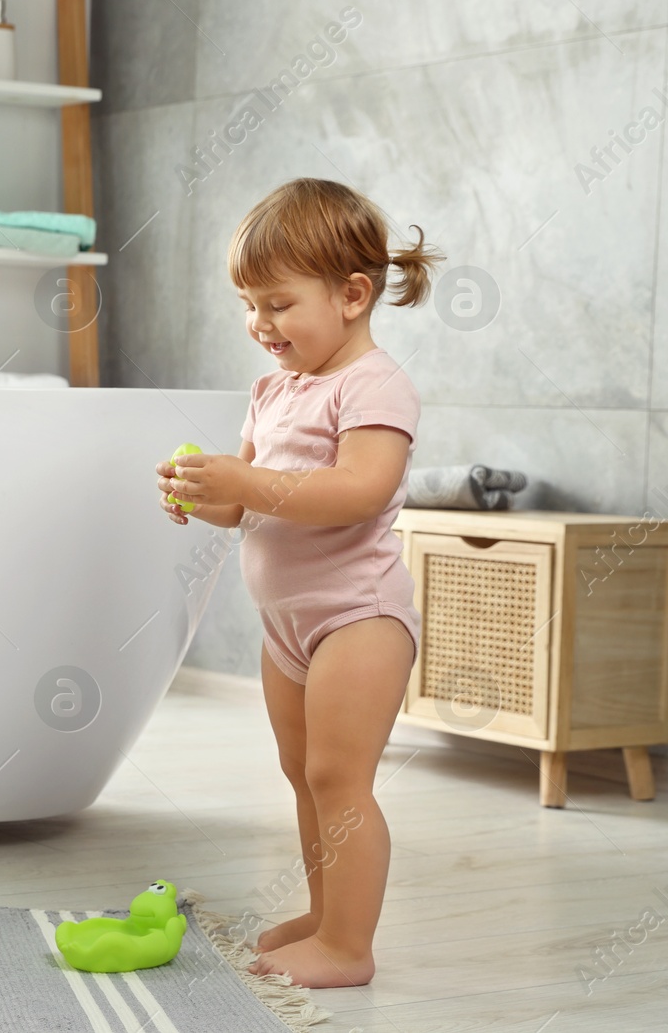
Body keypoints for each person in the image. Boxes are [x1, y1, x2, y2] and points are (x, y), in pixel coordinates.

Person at [156, 178, 443, 988]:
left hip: (358, 618)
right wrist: (203, 492)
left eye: (278, 303)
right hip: (288, 630)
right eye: (249, 304)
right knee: (301, 772)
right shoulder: (271, 390)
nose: (260, 324)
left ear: (353, 295)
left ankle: (349, 947)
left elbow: (360, 489)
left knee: (337, 776)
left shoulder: (374, 385)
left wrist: (244, 486)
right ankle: (326, 914)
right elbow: (254, 502)